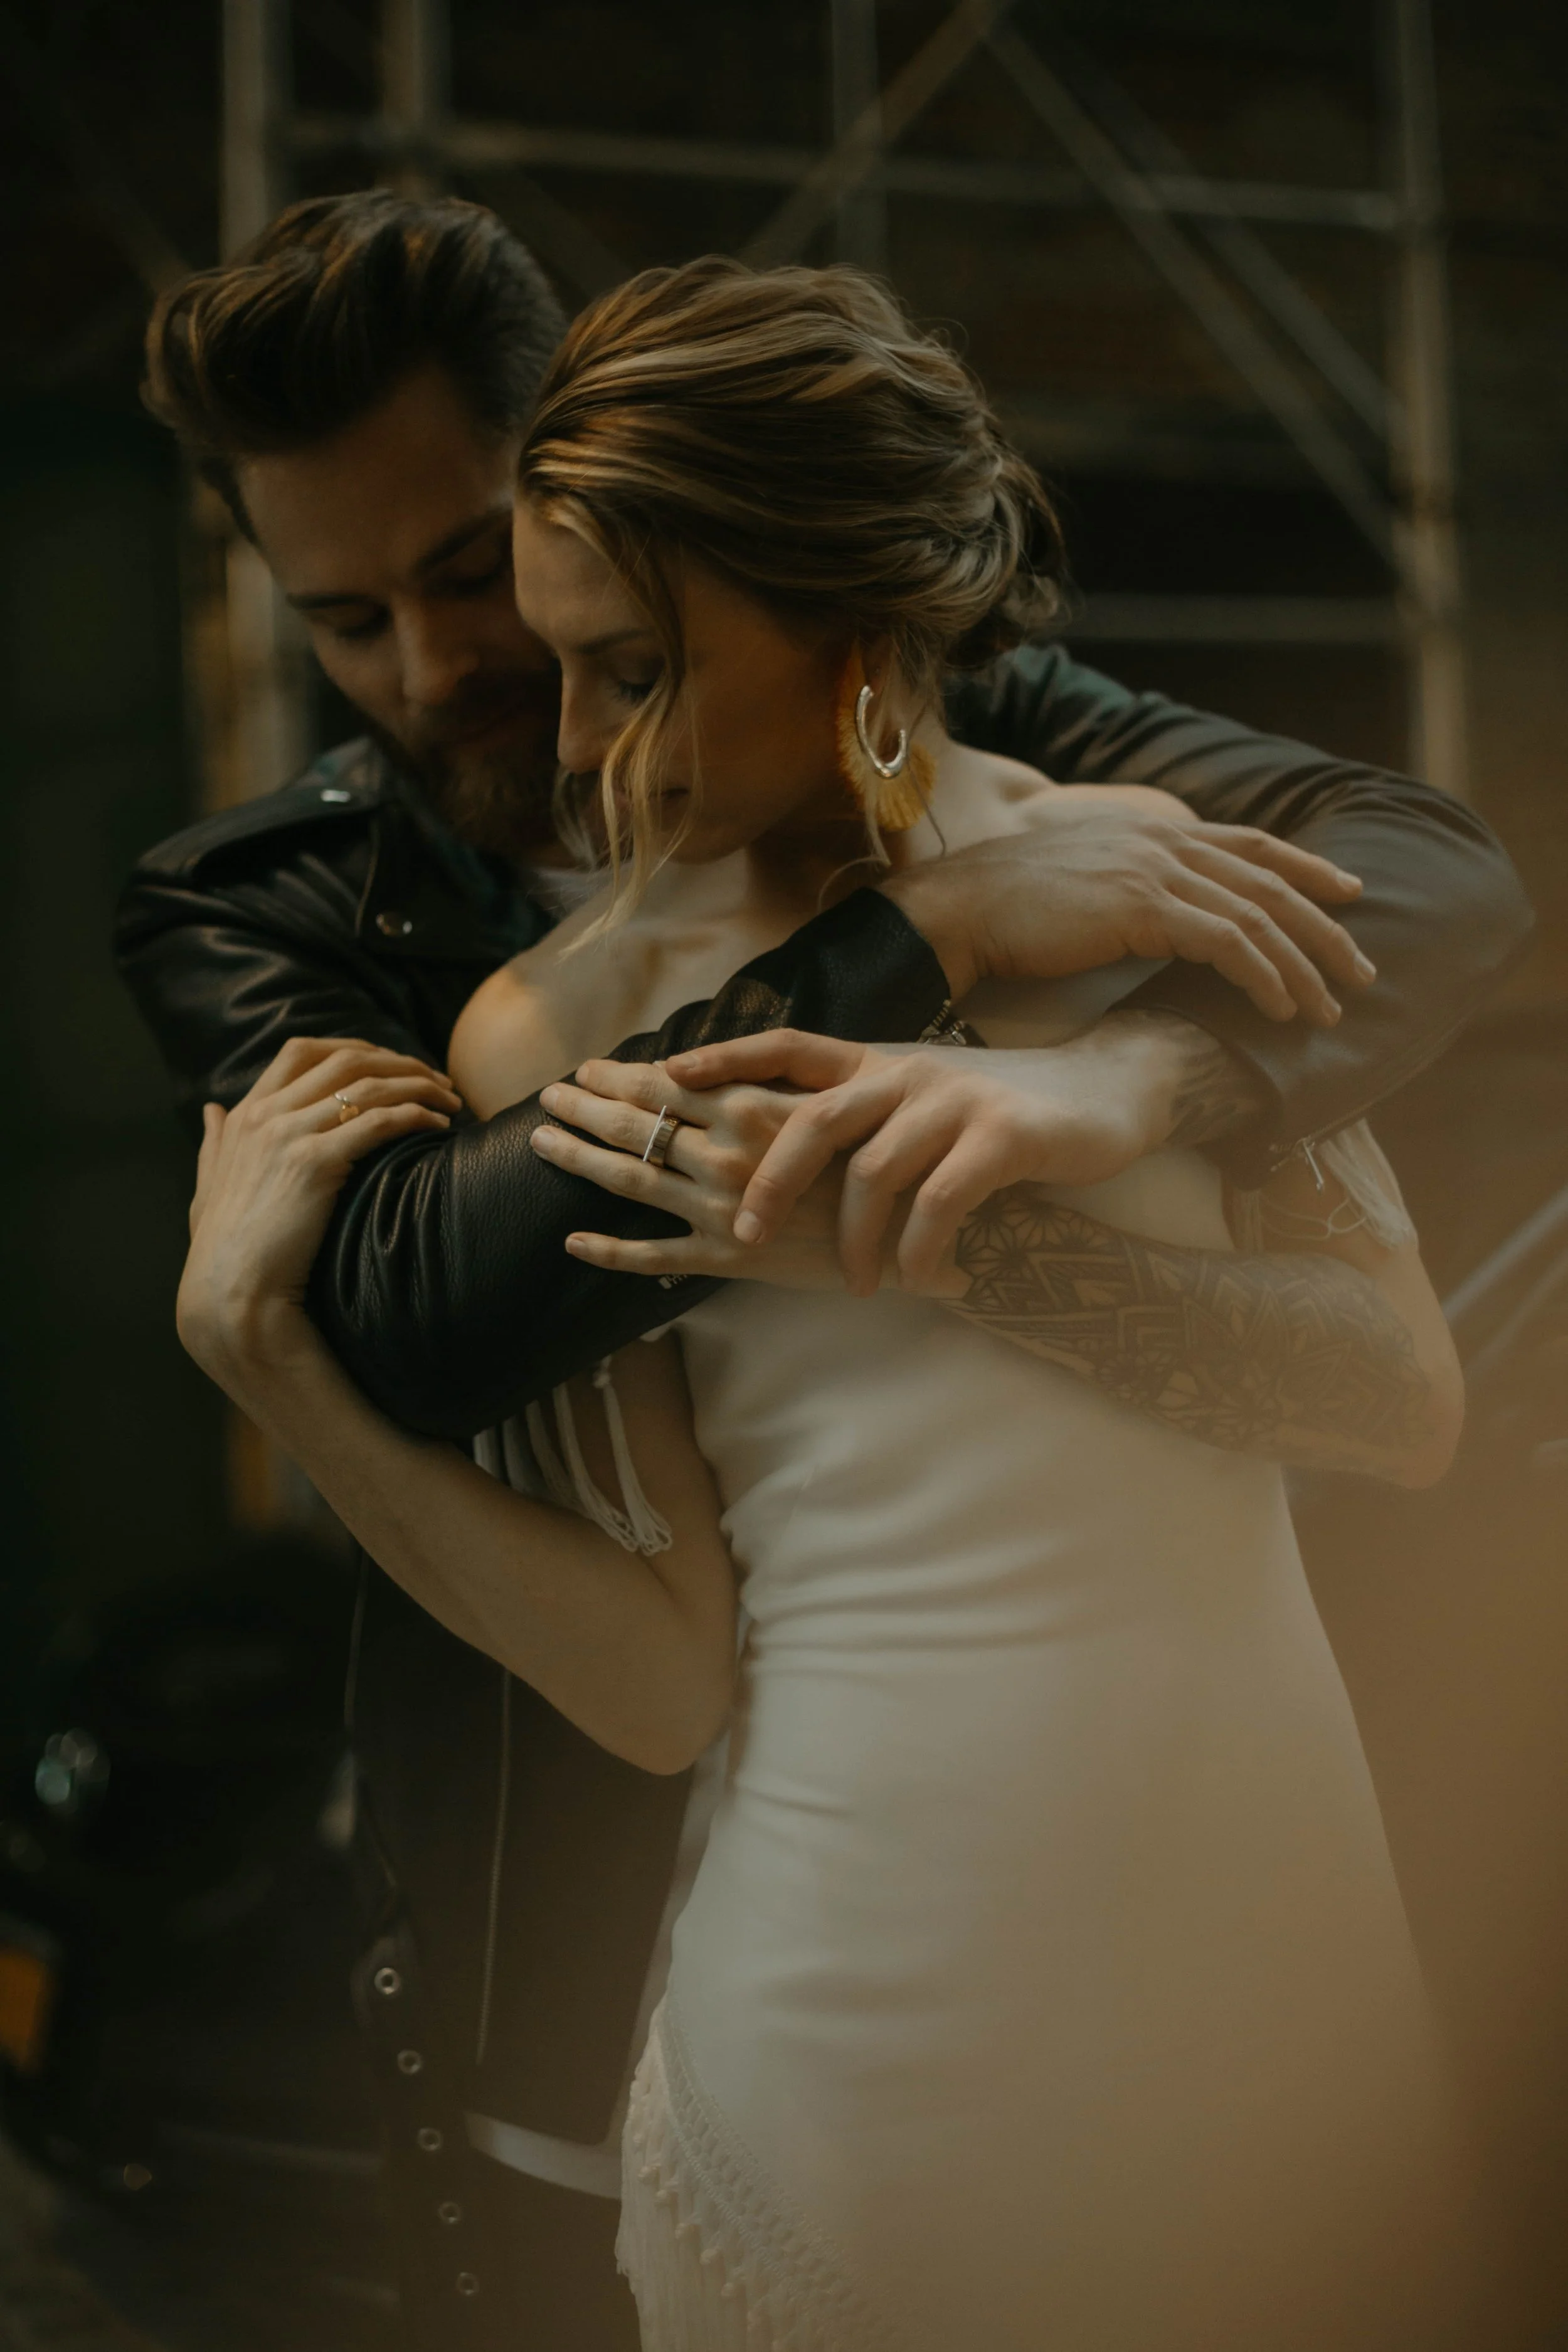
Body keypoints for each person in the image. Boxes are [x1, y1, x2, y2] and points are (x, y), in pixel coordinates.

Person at [117, 193, 1529, 2344]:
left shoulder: (1143, 873)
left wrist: (968, 1227)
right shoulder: (534, 1027)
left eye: (627, 662)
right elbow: (663, 1670)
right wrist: (271, 1363)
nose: (569, 745)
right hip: (860, 2000)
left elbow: (1398, 1402)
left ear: (848, 632)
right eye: (349, 619)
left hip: (1280, 1937)